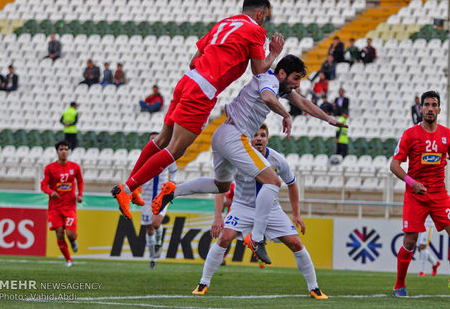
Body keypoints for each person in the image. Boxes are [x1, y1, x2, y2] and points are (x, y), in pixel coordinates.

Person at [151, 55, 345, 265]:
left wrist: (328, 119)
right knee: (272, 181)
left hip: (223, 134)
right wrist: (286, 116)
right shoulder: (270, 81)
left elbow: (304, 102)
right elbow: (269, 99)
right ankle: (257, 239)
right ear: (282, 73)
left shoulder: (277, 84)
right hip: (236, 136)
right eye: (296, 78)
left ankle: (173, 191)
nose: (298, 84)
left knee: (221, 185)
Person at [111, 0, 284, 221]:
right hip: (202, 91)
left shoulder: (224, 23)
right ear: (260, 13)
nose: (265, 22)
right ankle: (125, 189)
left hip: (188, 79)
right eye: (266, 17)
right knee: (175, 150)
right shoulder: (256, 31)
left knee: (162, 139)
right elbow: (259, 70)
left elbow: (194, 59)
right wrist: (273, 53)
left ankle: (132, 187)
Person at [165, 124, 327, 298]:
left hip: (271, 209)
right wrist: (218, 216)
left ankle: (314, 287)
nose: (259, 138)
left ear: (267, 139)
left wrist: (296, 214)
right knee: (224, 238)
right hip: (242, 207)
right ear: (248, 139)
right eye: (255, 135)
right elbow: (220, 187)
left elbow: (292, 184)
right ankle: (203, 283)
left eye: (263, 135)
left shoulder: (277, 160)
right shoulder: (237, 159)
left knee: (295, 243)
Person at [390, 90, 450, 298]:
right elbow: (394, 165)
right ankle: (399, 285)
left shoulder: (447, 135)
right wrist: (412, 182)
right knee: (410, 241)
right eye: (426, 105)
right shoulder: (410, 134)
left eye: (434, 105)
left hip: (438, 194)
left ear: (439, 109)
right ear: (420, 109)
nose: (429, 108)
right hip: (415, 195)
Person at [41, 140, 83, 267]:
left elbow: (80, 181)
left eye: (66, 149)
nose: (64, 152)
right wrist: (50, 192)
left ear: (68, 151)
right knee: (59, 232)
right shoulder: (50, 168)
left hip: (69, 206)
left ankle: (73, 241)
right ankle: (68, 260)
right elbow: (43, 185)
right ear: (57, 151)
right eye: (61, 149)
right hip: (55, 207)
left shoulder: (75, 167)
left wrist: (80, 195)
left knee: (70, 234)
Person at [140, 132, 177, 269]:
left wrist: (172, 182)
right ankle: (152, 258)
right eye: (152, 140)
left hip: (161, 194)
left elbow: (174, 170)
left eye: (157, 139)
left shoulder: (168, 155)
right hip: (146, 196)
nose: (155, 142)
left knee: (156, 223)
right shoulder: (144, 157)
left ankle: (159, 242)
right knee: (149, 229)